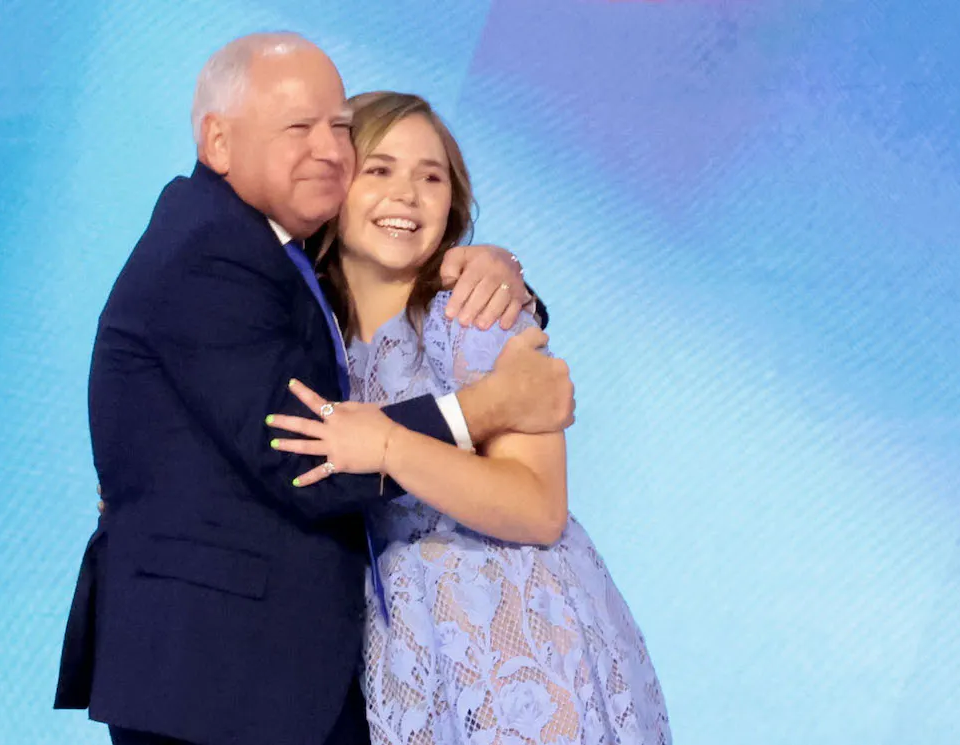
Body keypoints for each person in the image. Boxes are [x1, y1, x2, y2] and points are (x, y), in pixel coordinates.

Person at [54, 33, 576, 745]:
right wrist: (490, 407)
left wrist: (503, 271)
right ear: (218, 141)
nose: (329, 150)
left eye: (339, 128)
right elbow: (307, 459)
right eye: (299, 127)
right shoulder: (215, 253)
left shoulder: (284, 265)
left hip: (416, 656)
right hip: (221, 677)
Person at [267, 92, 671, 745]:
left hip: (518, 635)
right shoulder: (311, 337)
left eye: (431, 177)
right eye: (380, 169)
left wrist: (391, 446)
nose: (407, 194)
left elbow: (539, 506)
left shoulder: (474, 317)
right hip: (411, 652)